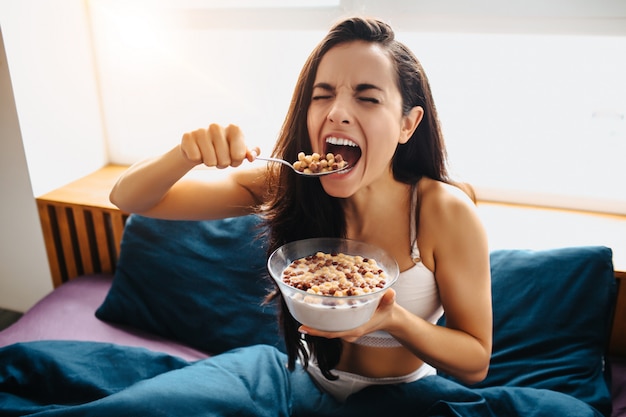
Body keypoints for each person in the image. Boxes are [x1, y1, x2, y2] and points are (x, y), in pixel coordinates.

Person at [110, 16, 492, 407]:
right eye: (322, 95)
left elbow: (475, 362)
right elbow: (129, 197)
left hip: (405, 395)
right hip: (296, 382)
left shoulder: (444, 212)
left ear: (406, 124)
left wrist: (391, 319)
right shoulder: (288, 183)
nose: (337, 112)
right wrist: (185, 154)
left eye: (368, 97)